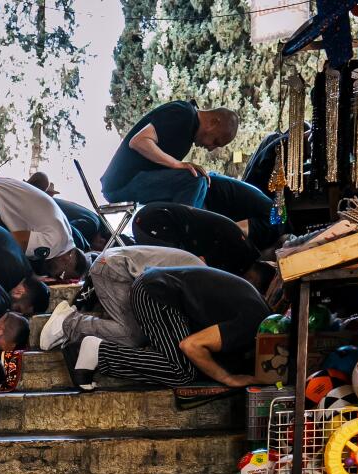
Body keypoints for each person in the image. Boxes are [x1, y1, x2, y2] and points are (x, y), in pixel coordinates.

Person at [63, 265, 272, 391]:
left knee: (187, 368)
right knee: (181, 370)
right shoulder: (253, 324)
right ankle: (99, 352)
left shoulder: (262, 315)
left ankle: (100, 352)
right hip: (157, 292)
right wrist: (228, 378)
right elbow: (191, 345)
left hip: (161, 289)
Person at [99, 101, 275, 236]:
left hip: (134, 180)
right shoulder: (182, 113)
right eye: (215, 141)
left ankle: (188, 232)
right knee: (194, 178)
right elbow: (138, 141)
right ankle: (182, 239)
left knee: (199, 182)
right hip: (122, 182)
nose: (211, 148)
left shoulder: (187, 130)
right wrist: (177, 164)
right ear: (214, 122)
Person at [39, 243, 202, 348]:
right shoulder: (203, 284)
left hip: (116, 267)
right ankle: (68, 323)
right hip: (113, 268)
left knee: (136, 334)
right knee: (132, 335)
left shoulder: (202, 274)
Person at [0, 171, 85, 279]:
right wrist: (30, 276)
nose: (56, 275)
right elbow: (9, 241)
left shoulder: (67, 235)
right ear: (67, 259)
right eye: (61, 274)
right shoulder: (54, 243)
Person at [131, 201, 266, 280]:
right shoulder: (236, 250)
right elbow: (197, 265)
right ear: (253, 279)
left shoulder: (245, 251)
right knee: (171, 273)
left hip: (152, 215)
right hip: (152, 223)